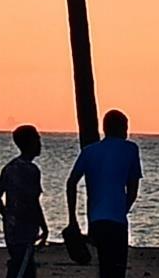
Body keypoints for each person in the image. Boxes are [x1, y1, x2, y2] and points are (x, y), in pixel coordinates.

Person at [67, 110, 140, 278]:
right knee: (117, 269)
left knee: (104, 266)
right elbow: (133, 188)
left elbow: (71, 182)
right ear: (121, 128)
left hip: (96, 219)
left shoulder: (89, 151)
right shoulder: (130, 149)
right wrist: (124, 209)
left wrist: (72, 217)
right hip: (117, 219)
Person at [0, 125, 48, 278]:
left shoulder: (9, 168)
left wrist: (8, 216)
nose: (40, 143)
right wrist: (44, 227)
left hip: (12, 229)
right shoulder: (31, 170)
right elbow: (34, 202)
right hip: (26, 228)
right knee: (24, 268)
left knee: (19, 264)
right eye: (37, 139)